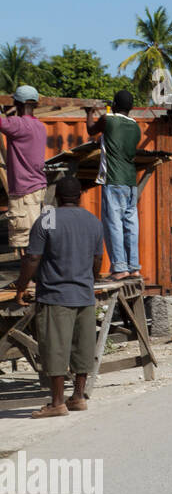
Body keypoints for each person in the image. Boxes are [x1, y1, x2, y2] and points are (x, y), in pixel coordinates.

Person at [15, 177, 103, 418]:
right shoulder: (92, 220)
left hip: (56, 295)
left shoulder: (48, 219)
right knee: (82, 347)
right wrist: (90, 281)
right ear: (80, 196)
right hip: (84, 295)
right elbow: (98, 260)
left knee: (55, 348)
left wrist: (21, 287)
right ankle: (77, 397)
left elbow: (33, 258)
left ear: (57, 197)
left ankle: (56, 402)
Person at [86, 89, 141, 280]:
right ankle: (134, 267)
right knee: (131, 225)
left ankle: (119, 268)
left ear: (115, 105)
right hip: (131, 182)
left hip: (113, 180)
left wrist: (89, 112)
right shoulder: (136, 126)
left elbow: (91, 130)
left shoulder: (108, 120)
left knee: (113, 224)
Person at [1, 85, 49, 255]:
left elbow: (6, 123)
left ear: (17, 103)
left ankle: (27, 281)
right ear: (35, 105)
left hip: (24, 193)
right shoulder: (40, 127)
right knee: (41, 237)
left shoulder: (17, 124)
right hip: (40, 190)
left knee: (25, 243)